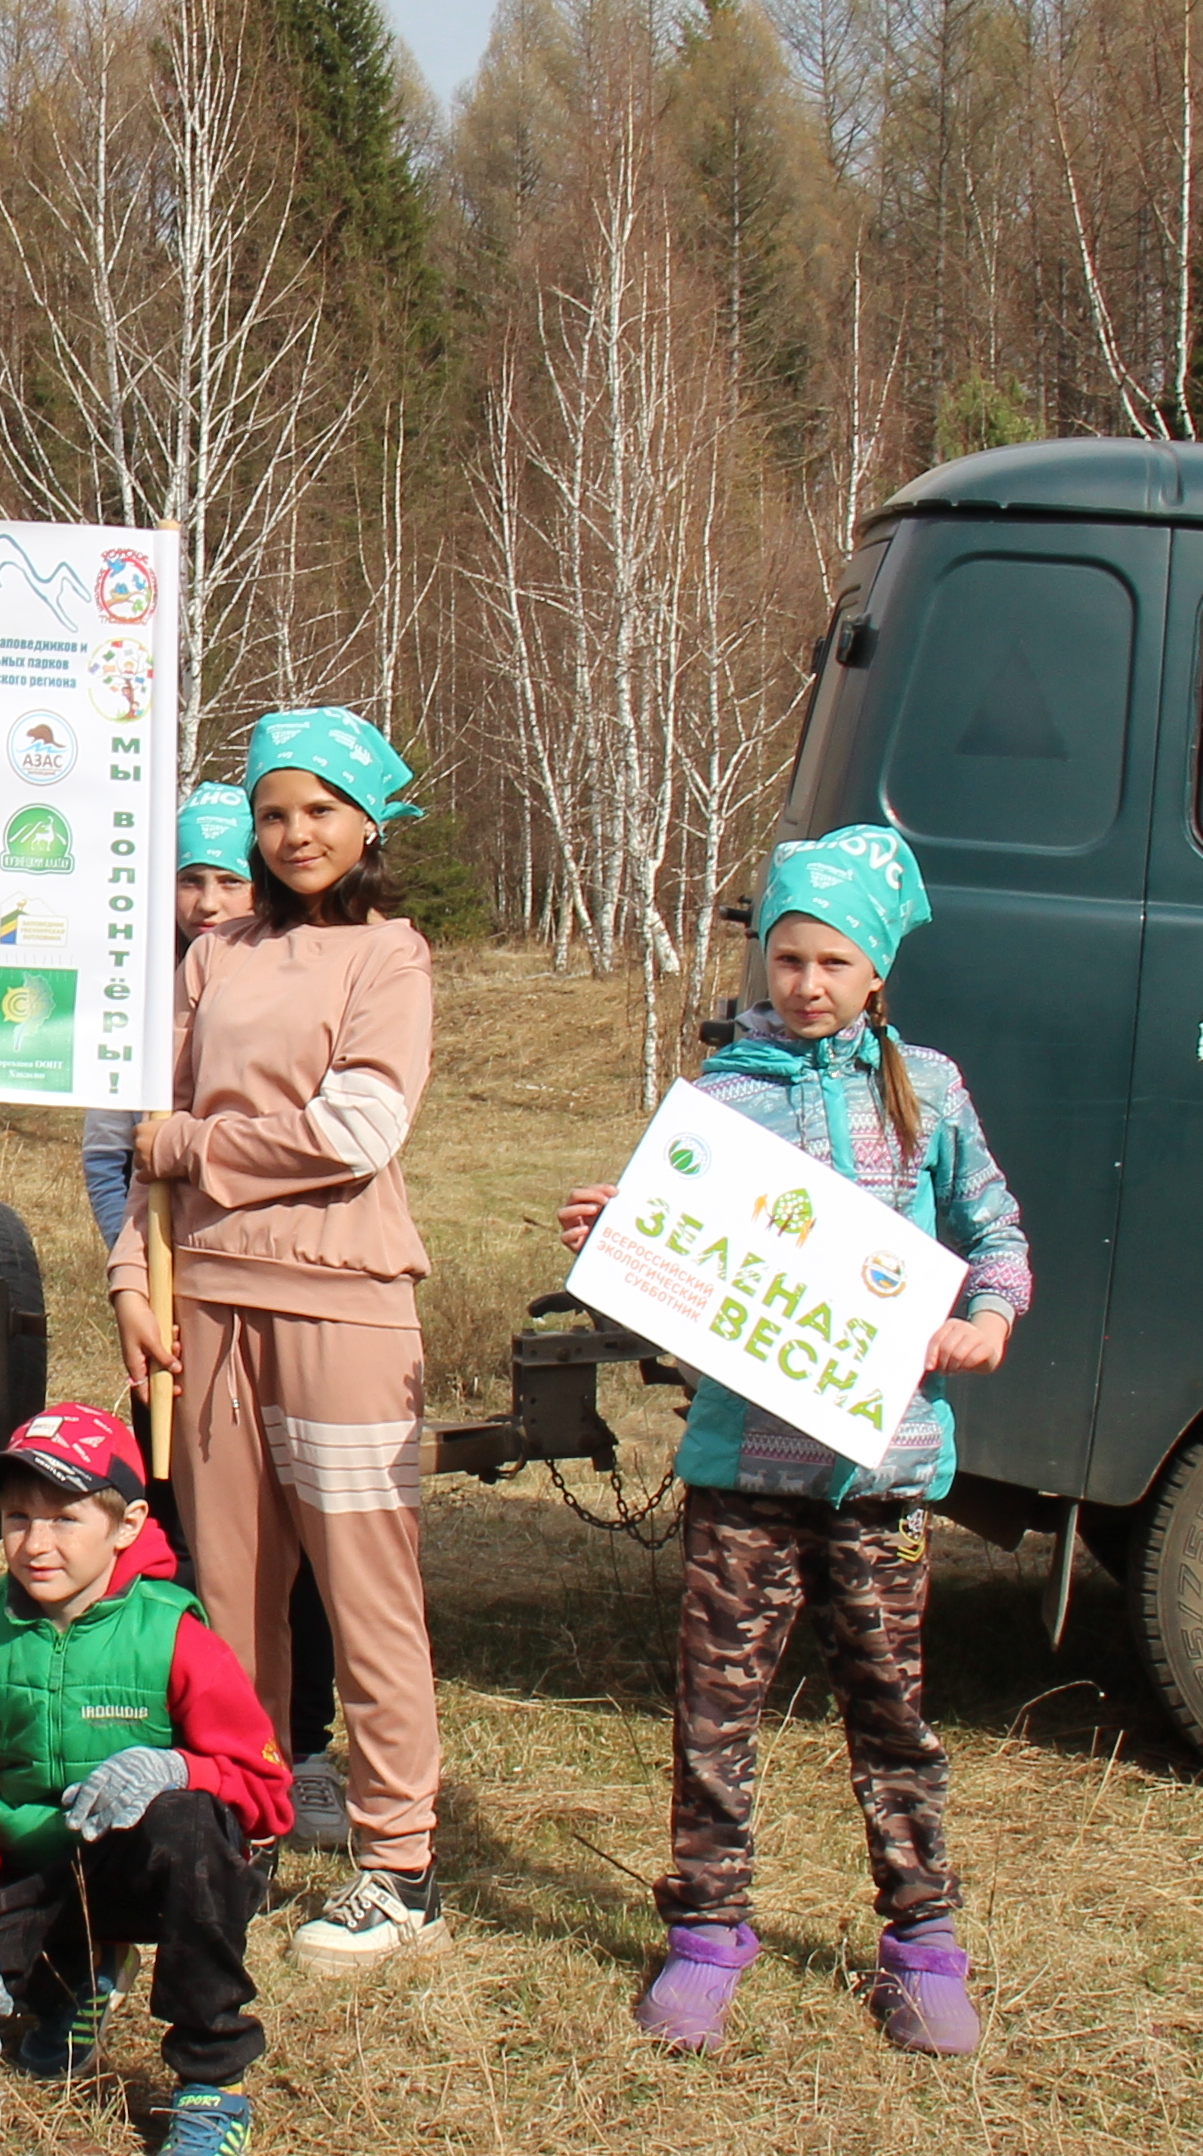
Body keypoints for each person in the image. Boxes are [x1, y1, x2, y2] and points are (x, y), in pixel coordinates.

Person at [559, 825, 1032, 2058]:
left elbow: (997, 1238)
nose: (808, 983)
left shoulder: (927, 1092)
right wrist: (616, 1231)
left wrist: (986, 1319)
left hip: (879, 1476)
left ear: (876, 970)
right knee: (717, 1711)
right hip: (740, 1475)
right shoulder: (719, 1101)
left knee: (892, 1714)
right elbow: (666, 1260)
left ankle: (923, 1942)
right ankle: (707, 1937)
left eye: (832, 961)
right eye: (788, 959)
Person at [114, 708, 449, 1968]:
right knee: (232, 1599)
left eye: (319, 809)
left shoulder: (391, 954)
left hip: (345, 1306)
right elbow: (139, 1145)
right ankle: (242, 1835)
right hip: (204, 1308)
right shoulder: (215, 957)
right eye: (272, 812)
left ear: (367, 821)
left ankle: (397, 1862)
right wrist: (130, 1288)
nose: (295, 833)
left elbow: (357, 1131)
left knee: (366, 1596)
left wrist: (200, 1149)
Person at [0, 1406, 289, 2156]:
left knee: (189, 1826)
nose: (36, 1543)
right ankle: (76, 1978)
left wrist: (176, 1768)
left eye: (64, 1519)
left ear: (127, 1525)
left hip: (151, 1871)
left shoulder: (174, 1631)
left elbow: (265, 1790)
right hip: (40, 1873)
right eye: (17, 1517)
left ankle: (210, 2081)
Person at [84, 782, 344, 1858]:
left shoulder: (296, 987)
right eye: (188, 880)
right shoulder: (147, 1017)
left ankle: (311, 1749)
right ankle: (198, 1739)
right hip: (180, 1307)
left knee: (304, 1537)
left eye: (225, 878)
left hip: (285, 1293)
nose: (204, 900)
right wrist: (138, 1290)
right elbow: (115, 1159)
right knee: (187, 1530)